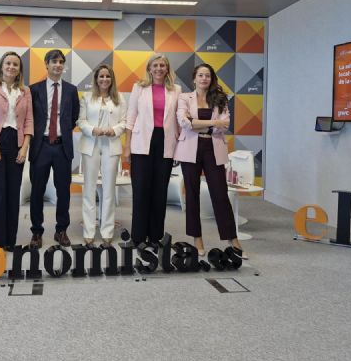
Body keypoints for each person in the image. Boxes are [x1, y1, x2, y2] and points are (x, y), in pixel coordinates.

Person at [174, 63, 245, 257]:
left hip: (213, 148)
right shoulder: (184, 98)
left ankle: (233, 239)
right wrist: (213, 122)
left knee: (220, 194)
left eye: (207, 75)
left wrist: (198, 123)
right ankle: (197, 238)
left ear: (212, 79)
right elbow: (185, 123)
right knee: (192, 194)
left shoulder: (220, 98)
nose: (204, 78)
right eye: (201, 75)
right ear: (194, 79)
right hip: (190, 149)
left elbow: (225, 125)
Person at [123, 54, 181, 246]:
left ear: (167, 68)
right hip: (141, 143)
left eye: (162, 65)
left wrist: (179, 148)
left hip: (165, 142)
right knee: (140, 191)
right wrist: (127, 146)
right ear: (149, 68)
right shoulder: (139, 87)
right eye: (155, 65)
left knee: (160, 191)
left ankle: (155, 237)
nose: (158, 68)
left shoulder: (176, 90)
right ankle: (138, 237)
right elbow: (131, 116)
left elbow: (178, 120)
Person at [0, 51, 33, 250]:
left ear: (20, 69)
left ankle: (9, 241)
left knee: (12, 194)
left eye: (15, 64)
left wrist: (24, 148)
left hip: (16, 143)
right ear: (1, 66)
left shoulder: (25, 91)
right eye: (8, 63)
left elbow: (29, 121)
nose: (11, 67)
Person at [28, 49, 80, 249]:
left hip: (62, 147)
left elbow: (74, 117)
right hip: (40, 146)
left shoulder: (71, 90)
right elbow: (30, 116)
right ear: (46, 64)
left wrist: (61, 132)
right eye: (54, 61)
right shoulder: (34, 89)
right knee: (37, 191)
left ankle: (61, 230)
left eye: (61, 62)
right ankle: (36, 231)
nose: (58, 65)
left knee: (63, 191)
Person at [77, 65, 127, 245]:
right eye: (101, 76)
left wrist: (114, 130)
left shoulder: (119, 98)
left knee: (108, 189)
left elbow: (124, 122)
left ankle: (107, 230)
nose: (104, 79)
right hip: (91, 144)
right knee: (89, 189)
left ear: (112, 79)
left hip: (111, 146)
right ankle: (89, 231)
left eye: (108, 76)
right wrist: (93, 130)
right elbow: (81, 121)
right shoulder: (87, 97)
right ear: (96, 79)